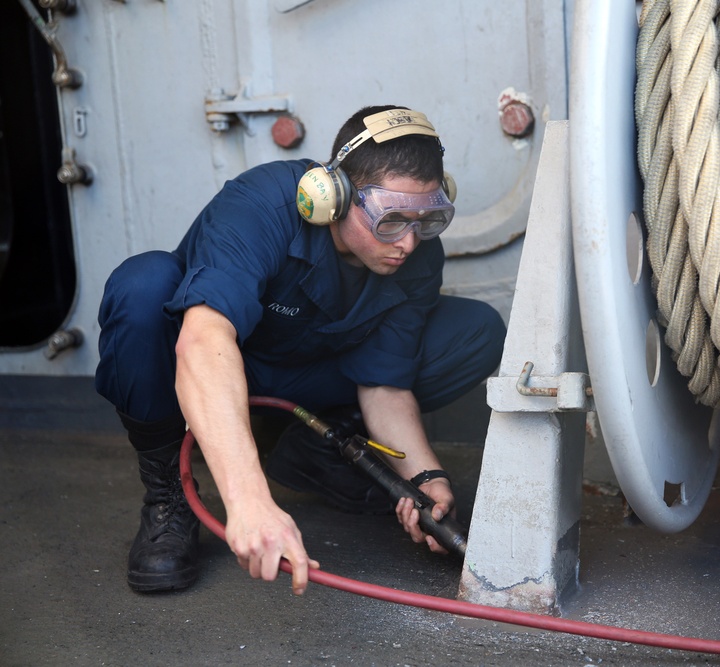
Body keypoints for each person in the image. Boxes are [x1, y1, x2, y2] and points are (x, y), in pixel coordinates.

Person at [94, 105, 506, 595]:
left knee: (476, 328)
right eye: (392, 221)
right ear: (330, 197)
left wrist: (426, 477)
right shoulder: (260, 207)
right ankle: (168, 494)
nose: (410, 243)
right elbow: (203, 340)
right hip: (214, 369)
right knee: (140, 287)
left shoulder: (415, 256)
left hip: (309, 373)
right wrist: (250, 500)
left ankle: (316, 452)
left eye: (427, 221)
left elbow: (384, 384)